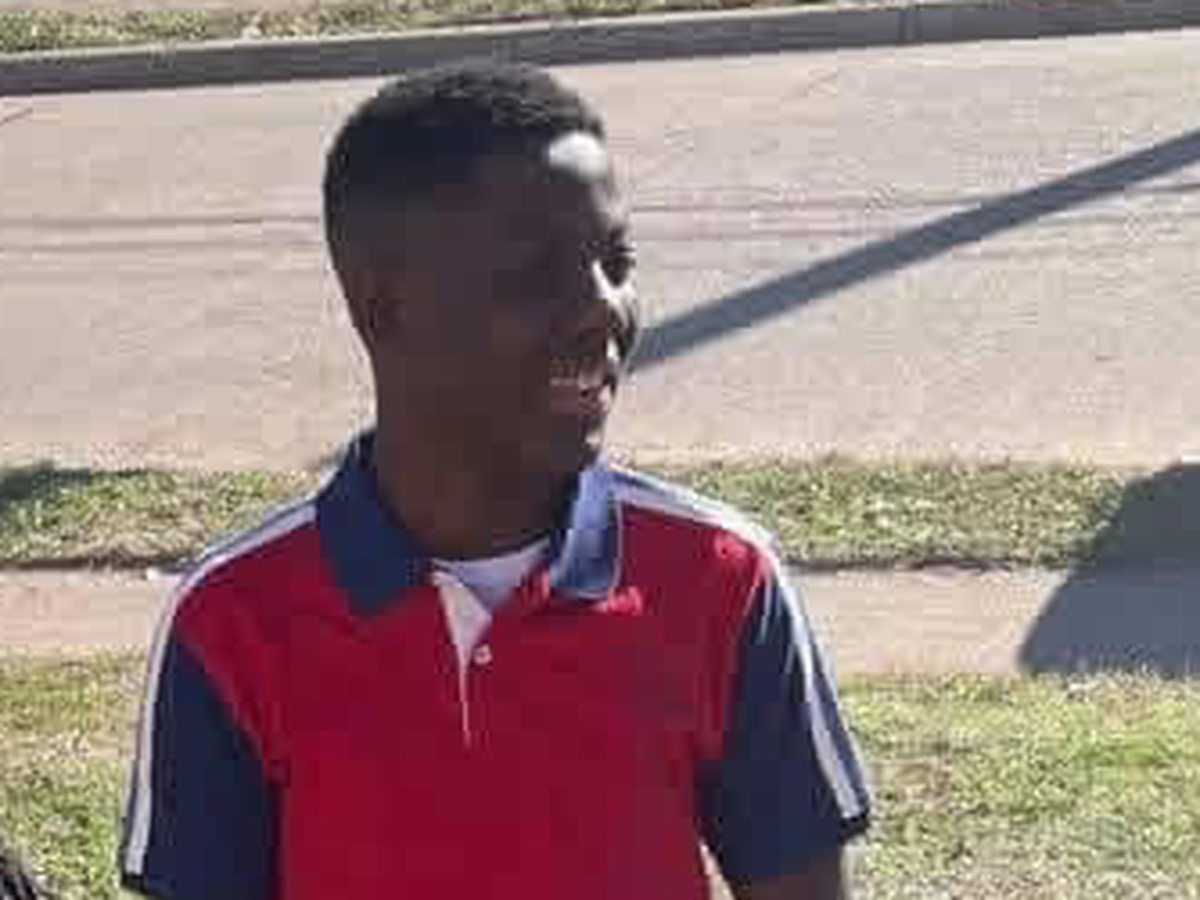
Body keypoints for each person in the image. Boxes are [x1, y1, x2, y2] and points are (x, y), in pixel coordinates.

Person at [118, 62, 871, 900]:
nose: (602, 307)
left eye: (615, 261)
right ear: (385, 307)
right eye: (537, 273)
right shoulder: (230, 622)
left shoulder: (721, 580)